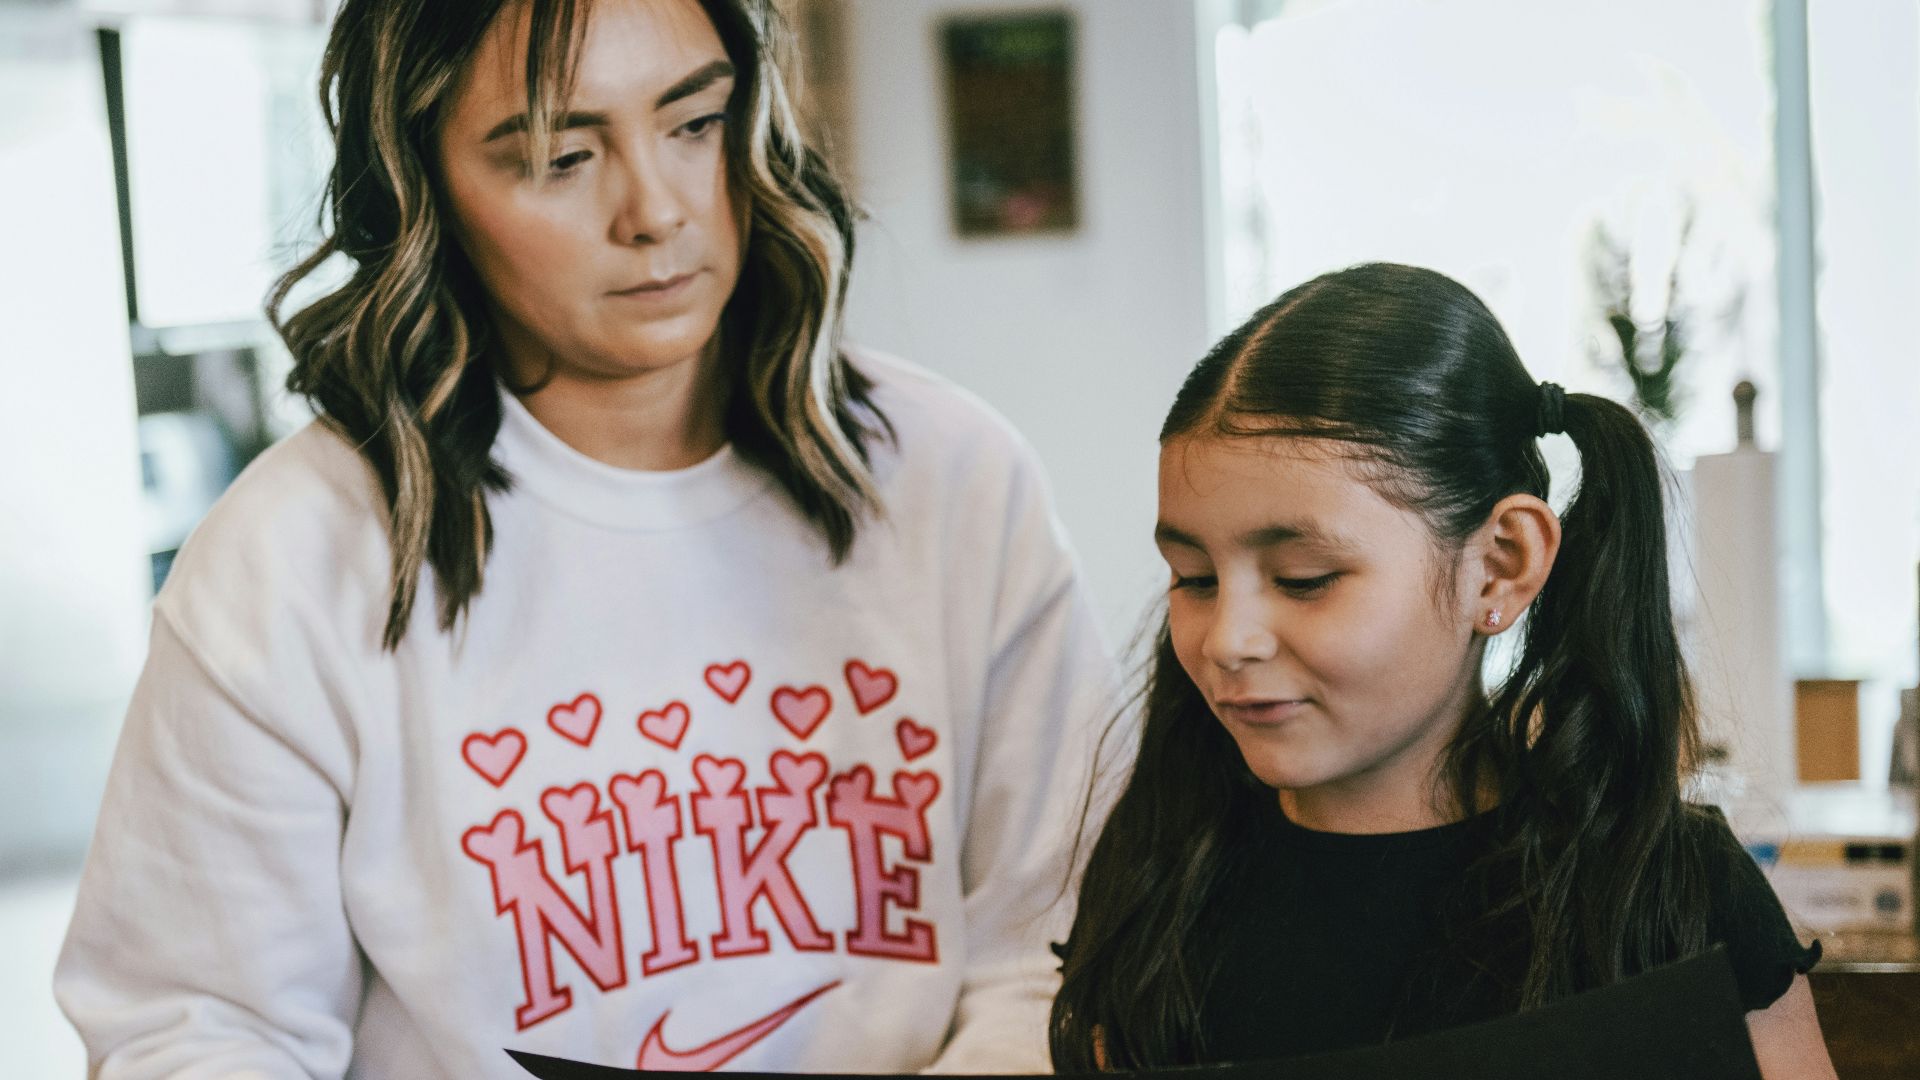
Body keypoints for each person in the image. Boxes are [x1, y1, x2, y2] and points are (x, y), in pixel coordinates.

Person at [55, 0, 1113, 1075]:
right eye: (562, 156)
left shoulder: (954, 478)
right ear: (424, 189)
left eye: (695, 124)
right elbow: (200, 1028)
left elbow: (1057, 947)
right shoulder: (291, 560)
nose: (655, 209)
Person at [1049, 263, 1837, 1078]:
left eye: (1304, 579)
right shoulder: (1160, 889)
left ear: (1499, 567)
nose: (1226, 639)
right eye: (1196, 579)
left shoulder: (1663, 895)